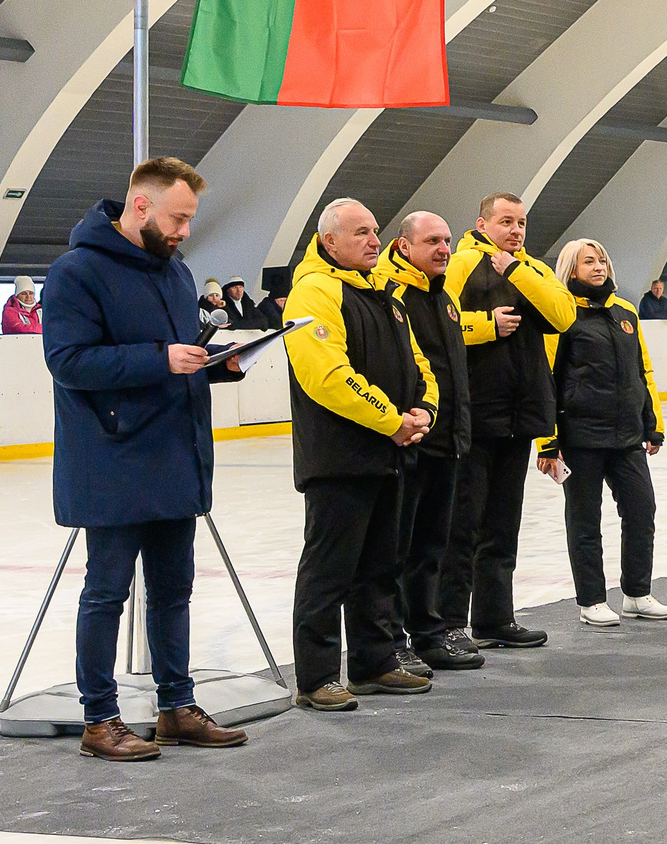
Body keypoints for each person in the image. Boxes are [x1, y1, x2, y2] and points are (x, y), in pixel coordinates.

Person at [41, 158, 252, 762]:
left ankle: (176, 707)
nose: (185, 231)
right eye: (178, 218)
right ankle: (100, 719)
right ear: (141, 206)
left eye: (189, 220)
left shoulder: (175, 271)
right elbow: (69, 361)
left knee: (173, 590)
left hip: (174, 454)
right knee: (106, 592)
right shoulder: (77, 272)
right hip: (112, 458)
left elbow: (180, 353)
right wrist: (162, 359)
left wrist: (216, 362)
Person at [284, 198, 439, 711]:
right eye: (360, 233)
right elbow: (327, 377)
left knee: (381, 566)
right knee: (330, 571)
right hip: (339, 460)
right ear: (329, 242)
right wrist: (392, 420)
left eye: (375, 231)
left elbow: (419, 364)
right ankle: (317, 677)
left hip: (389, 455)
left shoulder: (385, 295)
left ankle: (375, 662)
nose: (375, 241)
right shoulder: (313, 293)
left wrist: (424, 412)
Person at [442, 191, 576, 649]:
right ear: (482, 225)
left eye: (521, 223)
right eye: (506, 222)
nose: (516, 231)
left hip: (520, 415)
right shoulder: (460, 263)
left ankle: (495, 618)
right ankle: (449, 623)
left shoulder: (533, 269)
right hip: (474, 414)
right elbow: (435, 328)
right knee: (462, 525)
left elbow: (562, 316)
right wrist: (484, 326)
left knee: (503, 524)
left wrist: (516, 269)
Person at [538, 238, 667, 626]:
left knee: (641, 510)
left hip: (627, 436)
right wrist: (548, 441)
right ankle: (591, 600)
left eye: (602, 260)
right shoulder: (561, 316)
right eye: (588, 261)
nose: (599, 267)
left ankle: (636, 593)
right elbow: (546, 380)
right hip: (580, 438)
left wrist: (653, 426)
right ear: (571, 270)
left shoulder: (625, 312)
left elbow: (641, 372)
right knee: (585, 521)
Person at [375, 211, 485, 673]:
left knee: (431, 548)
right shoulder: (392, 295)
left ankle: (428, 632)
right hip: (414, 441)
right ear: (403, 247)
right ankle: (394, 639)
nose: (444, 249)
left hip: (449, 441)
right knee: (397, 550)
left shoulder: (445, 299)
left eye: (446, 241)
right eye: (432, 242)